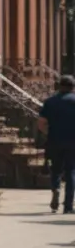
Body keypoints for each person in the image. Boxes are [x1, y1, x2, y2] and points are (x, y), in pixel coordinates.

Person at [39, 74, 75, 212]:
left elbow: (41, 123)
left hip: (54, 139)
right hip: (72, 141)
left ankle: (56, 188)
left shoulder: (50, 101)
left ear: (59, 86)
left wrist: (48, 133)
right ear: (73, 87)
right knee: (71, 171)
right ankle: (68, 205)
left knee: (56, 169)